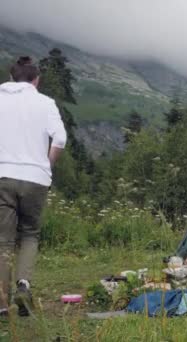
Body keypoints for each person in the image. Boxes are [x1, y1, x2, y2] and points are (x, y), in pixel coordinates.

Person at [0, 56, 67, 317]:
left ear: (11, 76)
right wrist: (46, 165)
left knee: (3, 241)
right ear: (36, 79)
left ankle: (2, 303)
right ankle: (24, 285)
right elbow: (60, 138)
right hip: (36, 179)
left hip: (3, 175)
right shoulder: (45, 102)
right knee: (29, 234)